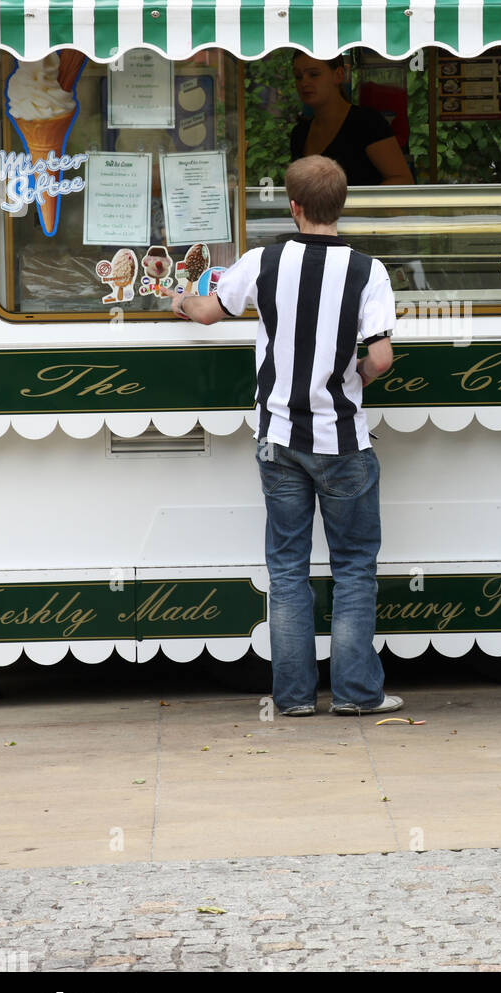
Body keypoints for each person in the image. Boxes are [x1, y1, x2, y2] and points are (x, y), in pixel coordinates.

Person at [167, 154, 402, 717]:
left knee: (289, 568)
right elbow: (383, 357)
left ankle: (293, 697)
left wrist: (176, 298)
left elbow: (207, 312)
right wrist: (357, 377)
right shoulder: (369, 271)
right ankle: (356, 695)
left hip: (278, 440)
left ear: (293, 207)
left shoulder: (263, 260)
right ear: (339, 207)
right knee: (351, 568)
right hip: (344, 441)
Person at [291, 52, 414, 186]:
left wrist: (360, 205)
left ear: (338, 75)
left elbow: (402, 181)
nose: (304, 82)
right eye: (298, 77)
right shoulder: (300, 133)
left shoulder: (366, 122)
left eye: (314, 74)